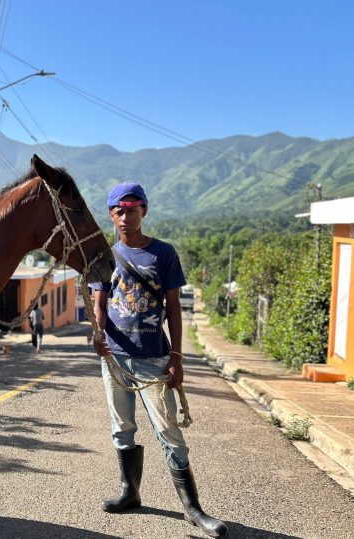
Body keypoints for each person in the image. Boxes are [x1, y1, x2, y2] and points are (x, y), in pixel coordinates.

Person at [90, 183, 227, 538]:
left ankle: (193, 509)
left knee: (168, 431)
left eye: (131, 210)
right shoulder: (104, 255)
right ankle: (130, 492)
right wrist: (97, 335)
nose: (125, 217)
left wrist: (177, 357)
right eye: (118, 211)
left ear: (144, 211)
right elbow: (99, 306)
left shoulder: (163, 253)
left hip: (154, 357)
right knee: (122, 428)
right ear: (111, 215)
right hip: (116, 360)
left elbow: (174, 310)